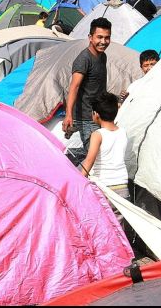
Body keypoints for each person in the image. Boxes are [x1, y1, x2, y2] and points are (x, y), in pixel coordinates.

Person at [63, 17, 111, 166]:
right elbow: (74, 87)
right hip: (85, 117)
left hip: (98, 115)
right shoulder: (84, 59)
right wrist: (69, 114)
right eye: (99, 37)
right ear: (90, 37)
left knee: (97, 154)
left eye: (107, 37)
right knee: (94, 159)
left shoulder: (103, 56)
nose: (103, 41)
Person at [80, 92, 130, 204]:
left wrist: (79, 181)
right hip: (122, 186)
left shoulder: (97, 134)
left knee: (103, 220)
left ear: (96, 114)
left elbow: (89, 160)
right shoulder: (122, 132)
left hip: (104, 188)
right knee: (118, 221)